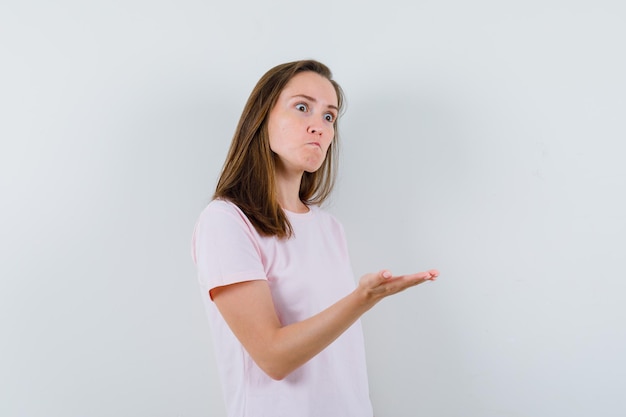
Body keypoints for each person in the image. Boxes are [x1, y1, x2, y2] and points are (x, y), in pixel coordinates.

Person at [191, 59, 439, 417]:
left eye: (329, 117)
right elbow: (273, 358)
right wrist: (362, 299)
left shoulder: (328, 228)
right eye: (302, 107)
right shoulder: (226, 222)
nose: (319, 127)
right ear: (261, 118)